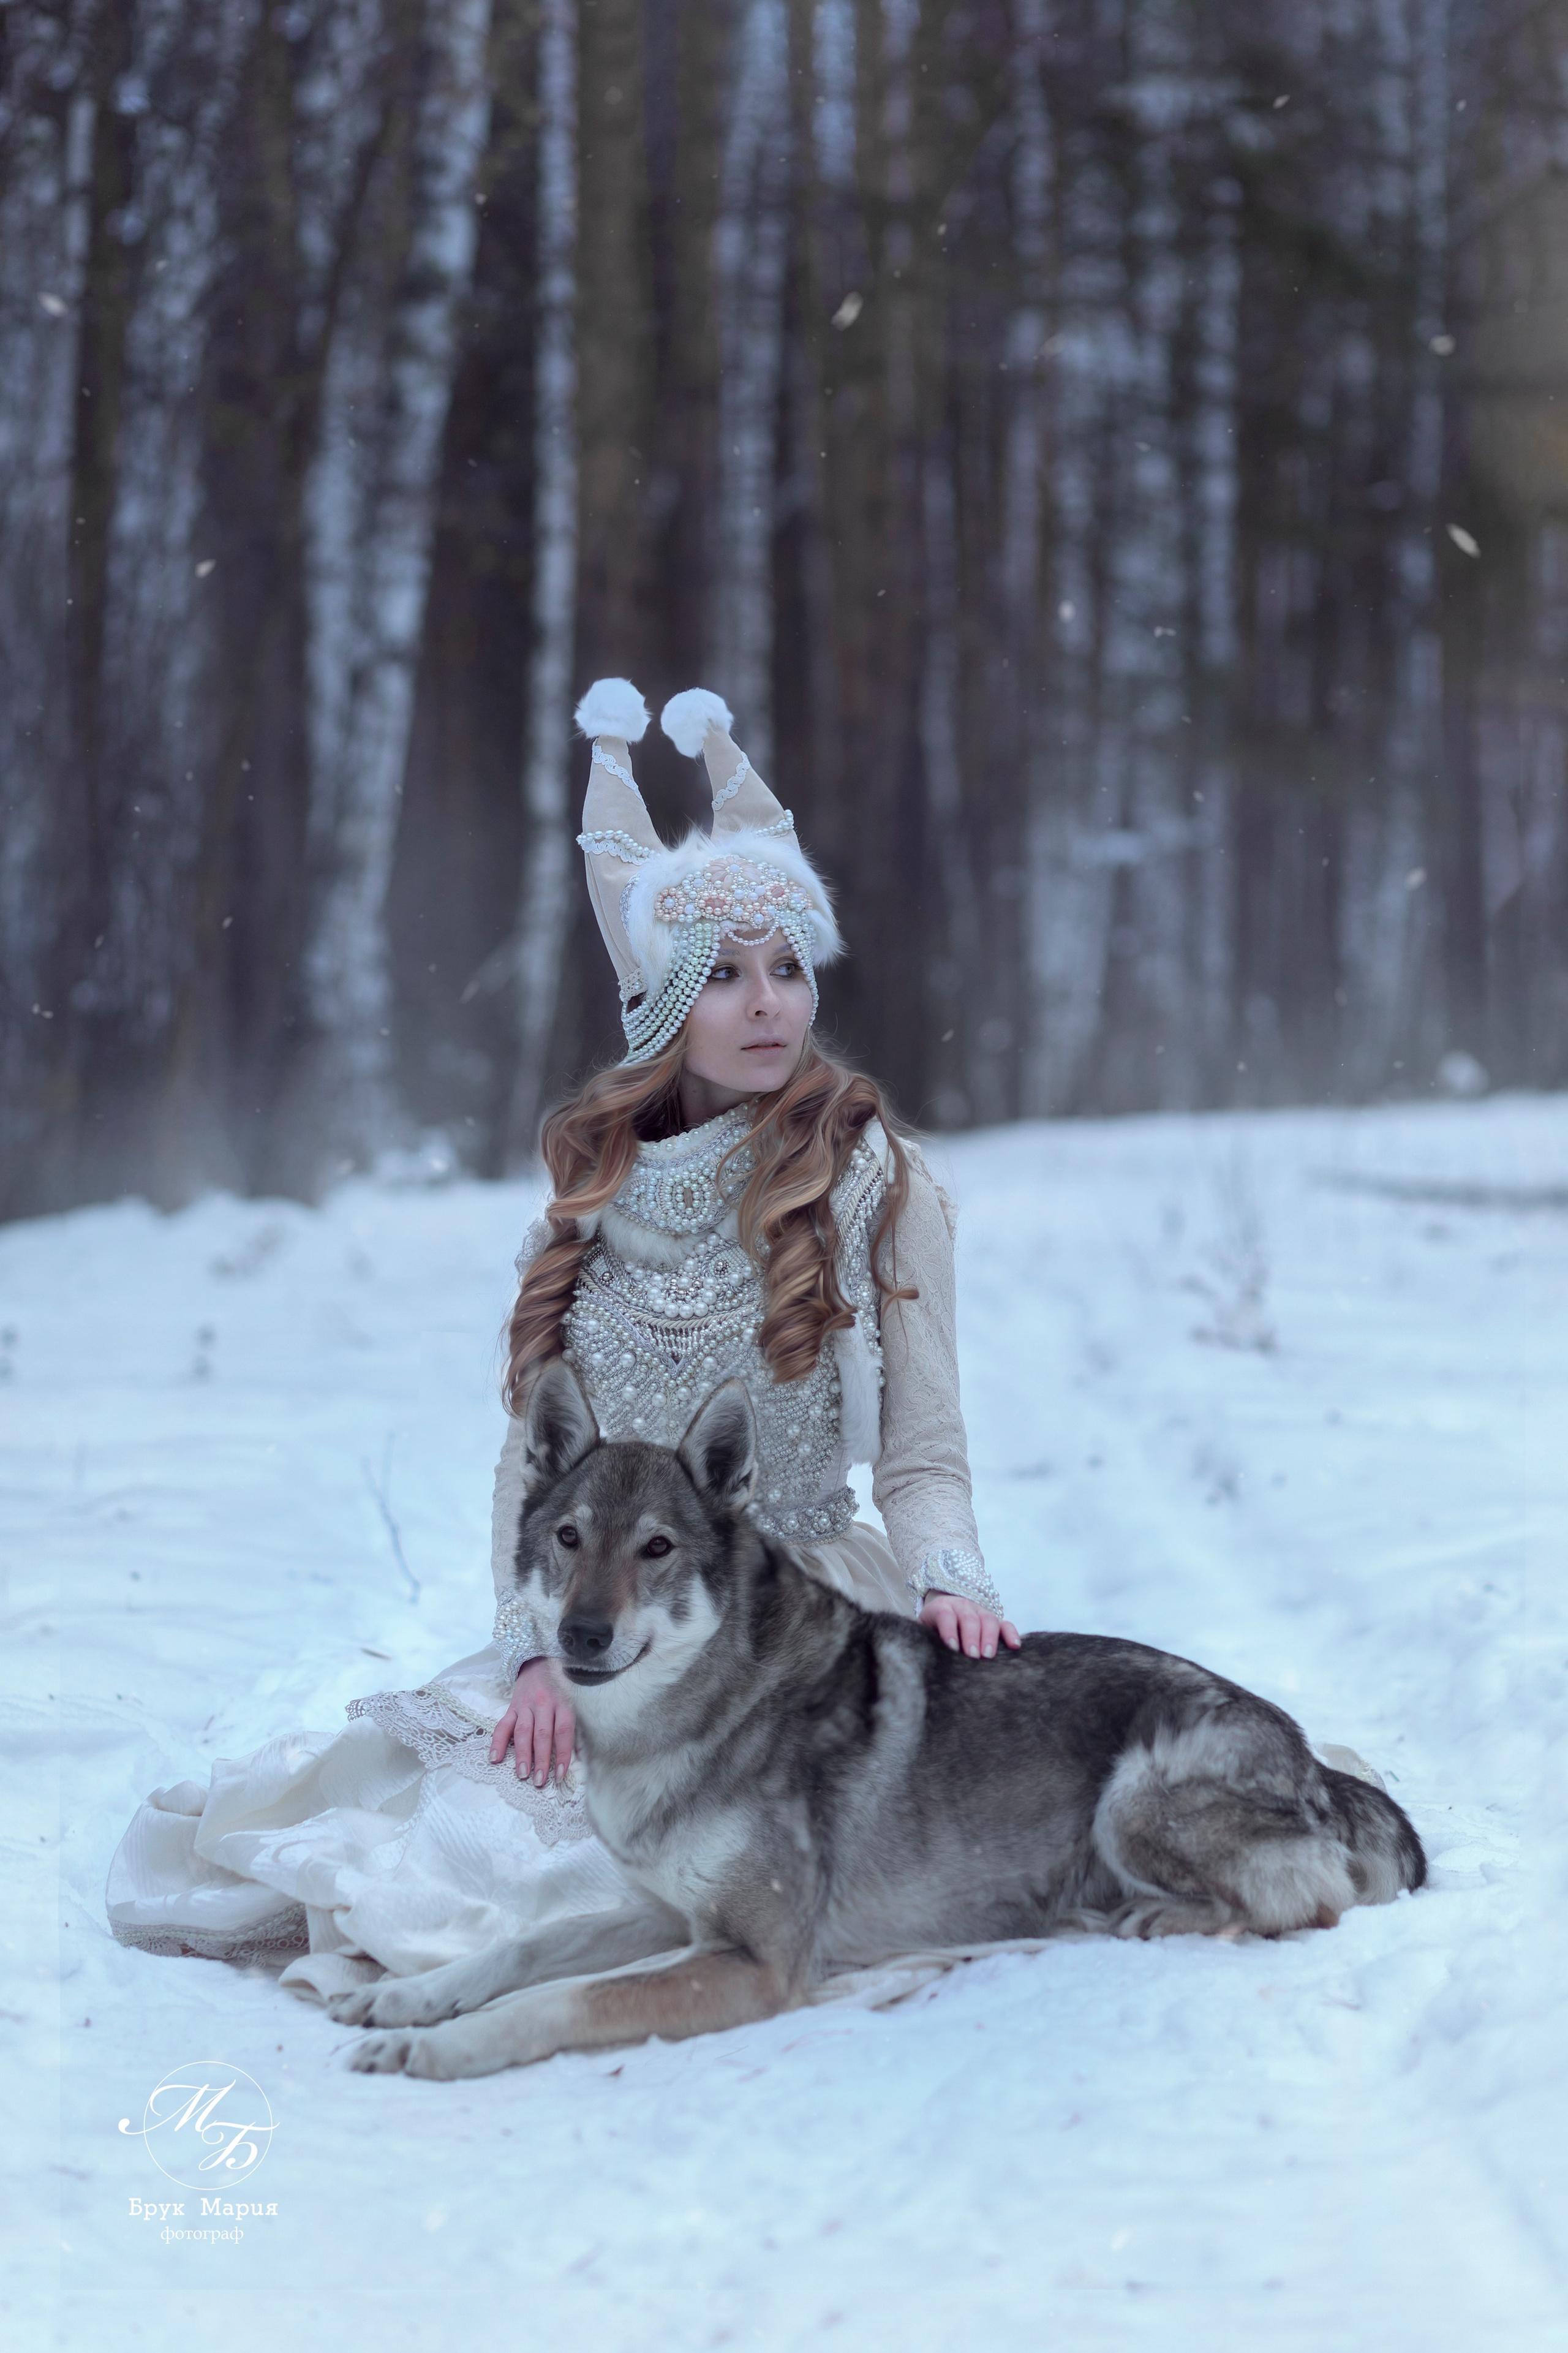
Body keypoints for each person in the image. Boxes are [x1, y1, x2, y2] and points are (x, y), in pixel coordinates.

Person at [106, 681, 1016, 2003]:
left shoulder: (876, 1180)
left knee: (708, 1867)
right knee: (464, 1846)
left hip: (805, 1613)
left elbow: (924, 1449)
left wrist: (951, 1581)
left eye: (785, 967)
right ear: (657, 1001)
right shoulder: (589, 1204)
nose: (767, 1004)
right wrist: (532, 1650)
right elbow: (526, 1478)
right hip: (604, 1608)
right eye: (720, 974)